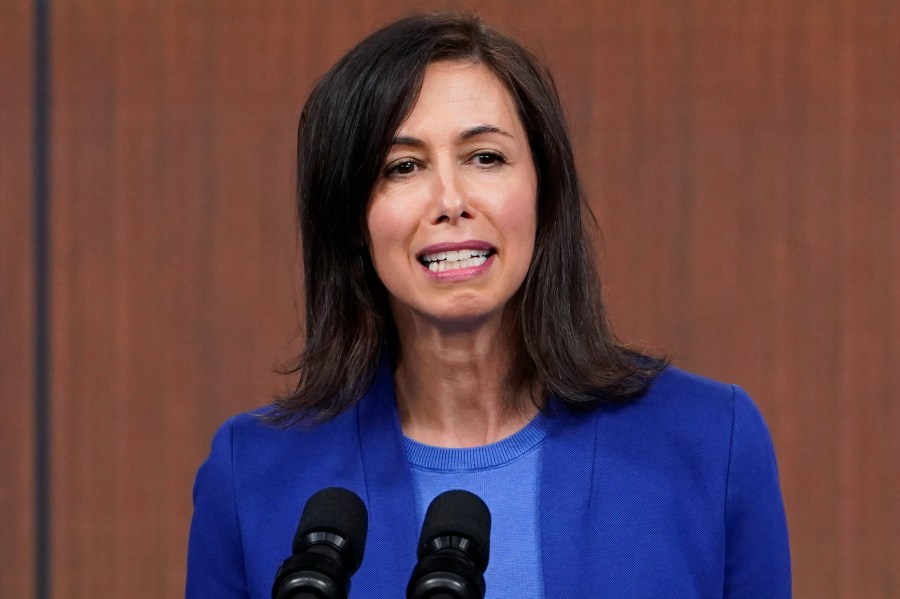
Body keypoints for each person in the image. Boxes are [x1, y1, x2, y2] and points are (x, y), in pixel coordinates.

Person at [186, 12, 790, 599]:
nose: (451, 200)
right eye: (403, 167)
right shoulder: (251, 478)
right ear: (350, 219)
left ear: (544, 191)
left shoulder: (713, 442)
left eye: (486, 157)